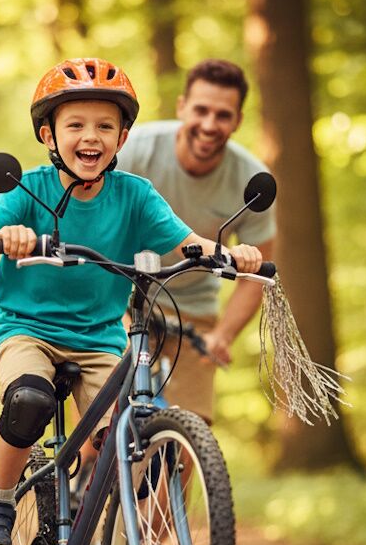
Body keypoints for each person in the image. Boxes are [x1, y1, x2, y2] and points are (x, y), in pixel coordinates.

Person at [0, 58, 262, 545]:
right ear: (49, 134)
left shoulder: (136, 195)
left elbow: (185, 241)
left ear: (123, 137)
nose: (89, 137)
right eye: (75, 125)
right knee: (28, 399)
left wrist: (229, 256)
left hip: (99, 338)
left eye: (104, 126)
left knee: (130, 435)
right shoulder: (29, 188)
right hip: (28, 330)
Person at [114, 59, 276, 424]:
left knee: (191, 427)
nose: (209, 124)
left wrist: (224, 335)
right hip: (120, 295)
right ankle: (88, 471)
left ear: (237, 121)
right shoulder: (134, 152)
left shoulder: (251, 179)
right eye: (201, 110)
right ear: (182, 106)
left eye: (223, 115)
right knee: (105, 423)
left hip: (193, 310)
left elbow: (257, 276)